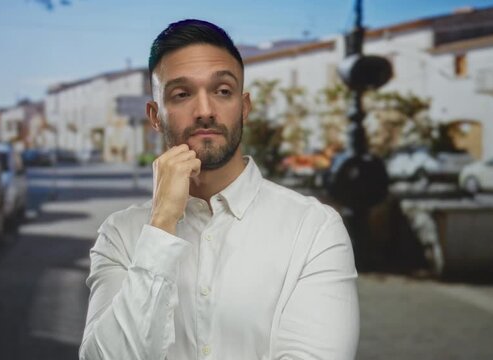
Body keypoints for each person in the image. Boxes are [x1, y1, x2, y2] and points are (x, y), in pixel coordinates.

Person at [80, 19, 359, 360]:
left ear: (244, 107)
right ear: (155, 116)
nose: (205, 111)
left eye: (222, 91)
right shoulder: (121, 235)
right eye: (182, 94)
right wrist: (162, 223)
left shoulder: (313, 229)